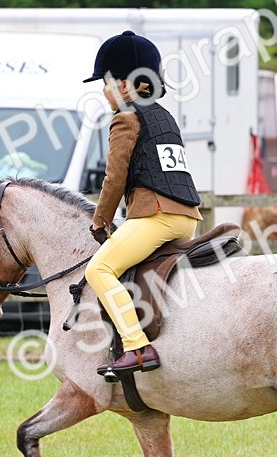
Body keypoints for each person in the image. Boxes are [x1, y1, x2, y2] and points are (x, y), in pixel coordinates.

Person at [84, 31, 203, 379]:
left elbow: (114, 178)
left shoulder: (125, 117)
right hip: (188, 217)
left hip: (157, 216)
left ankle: (136, 346)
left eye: (104, 84)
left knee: (99, 270)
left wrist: (100, 220)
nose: (103, 92)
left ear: (123, 86)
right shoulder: (164, 116)